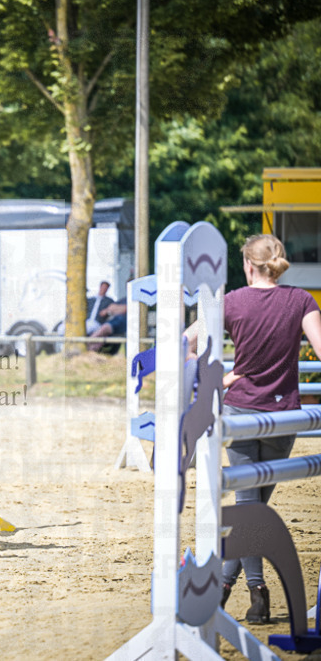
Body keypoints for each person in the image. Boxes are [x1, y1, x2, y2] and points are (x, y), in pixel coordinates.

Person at [187, 234, 321, 624]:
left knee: (248, 507)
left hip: (242, 409)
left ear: (248, 264)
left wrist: (216, 378)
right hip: (284, 418)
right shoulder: (302, 300)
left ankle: (255, 589)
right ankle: (227, 588)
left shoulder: (229, 302)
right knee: (254, 505)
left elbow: (186, 343)